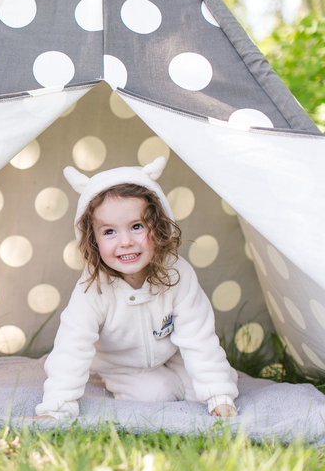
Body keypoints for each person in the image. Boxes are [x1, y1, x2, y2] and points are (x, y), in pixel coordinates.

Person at [33, 157, 238, 420]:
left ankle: (206, 386)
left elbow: (198, 337)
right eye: (109, 232)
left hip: (170, 354)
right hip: (120, 366)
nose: (126, 242)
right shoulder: (93, 287)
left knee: (219, 382)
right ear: (92, 240)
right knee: (157, 393)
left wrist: (218, 395)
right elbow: (72, 346)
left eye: (137, 226)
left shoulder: (177, 274)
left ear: (160, 227)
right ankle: (126, 382)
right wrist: (56, 407)